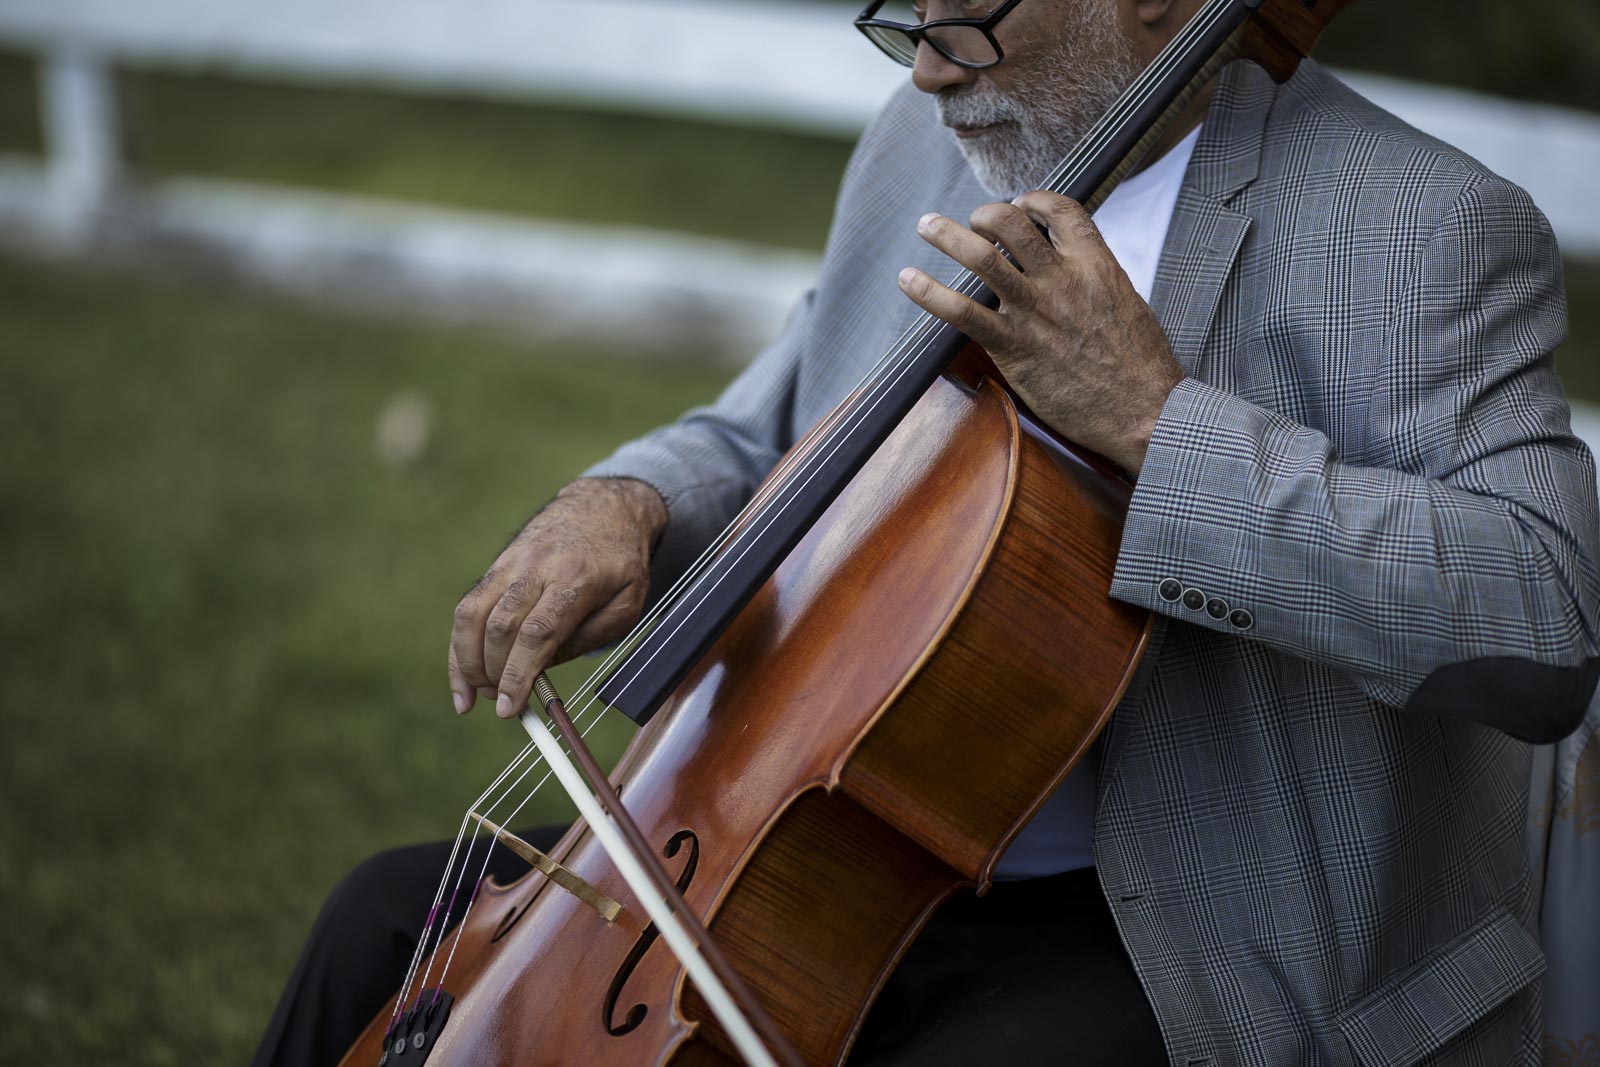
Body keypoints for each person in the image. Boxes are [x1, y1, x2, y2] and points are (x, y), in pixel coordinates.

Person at [255, 0, 1600, 1064]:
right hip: (825, 856)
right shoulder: (934, 139)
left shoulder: (1420, 228)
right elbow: (775, 417)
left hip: (1173, 938)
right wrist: (628, 502)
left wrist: (1158, 424)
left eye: (975, 8)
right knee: (387, 931)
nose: (925, 72)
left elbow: (1540, 623)